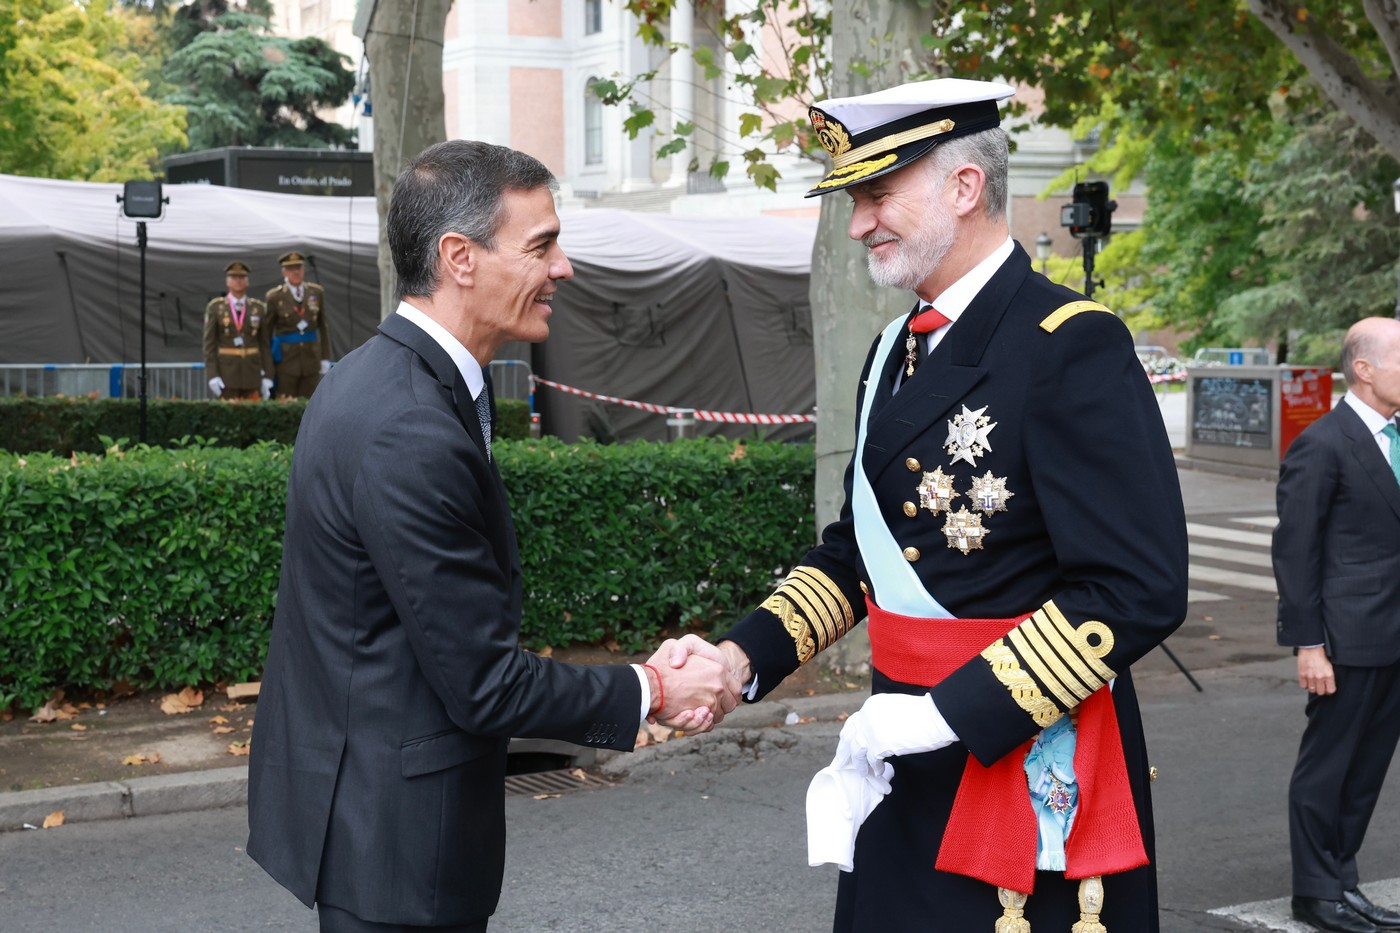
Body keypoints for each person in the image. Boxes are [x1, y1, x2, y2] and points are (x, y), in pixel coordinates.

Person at [711, 78, 1188, 931]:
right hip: (898, 753)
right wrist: (740, 661)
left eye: (877, 195)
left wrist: (947, 713)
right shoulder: (894, 346)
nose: (859, 223)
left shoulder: (1074, 344)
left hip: (1018, 749)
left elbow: (1133, 588)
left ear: (964, 188)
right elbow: (860, 552)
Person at [246, 140, 741, 932]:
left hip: (374, 827)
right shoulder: (407, 422)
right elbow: (482, 682)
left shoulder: (378, 381)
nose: (564, 267)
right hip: (399, 854)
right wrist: (652, 686)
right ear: (459, 258)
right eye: (541, 244)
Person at [1274, 317, 1400, 933]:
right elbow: (1295, 552)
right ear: (1365, 369)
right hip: (1344, 639)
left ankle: (1342, 883)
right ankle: (1315, 894)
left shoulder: (1395, 436)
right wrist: (1308, 644)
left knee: (1366, 769)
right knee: (1328, 768)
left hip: (1393, 637)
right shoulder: (1322, 442)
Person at [265, 250, 333, 398]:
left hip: (311, 358)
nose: (295, 272)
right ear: (284, 272)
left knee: (311, 404)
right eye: (290, 269)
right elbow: (267, 333)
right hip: (286, 361)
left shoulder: (316, 292)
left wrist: (325, 357)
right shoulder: (275, 297)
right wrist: (267, 367)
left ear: (303, 270)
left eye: (299, 268)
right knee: (286, 403)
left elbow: (323, 326)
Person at [203, 260, 273, 400]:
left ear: (247, 282)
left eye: (242, 277)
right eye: (234, 277)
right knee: (227, 416)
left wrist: (268, 375)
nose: (238, 281)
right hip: (227, 373)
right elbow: (209, 345)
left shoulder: (258, 308)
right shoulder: (216, 307)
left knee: (253, 415)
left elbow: (265, 344)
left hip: (252, 372)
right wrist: (213, 375)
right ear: (227, 282)